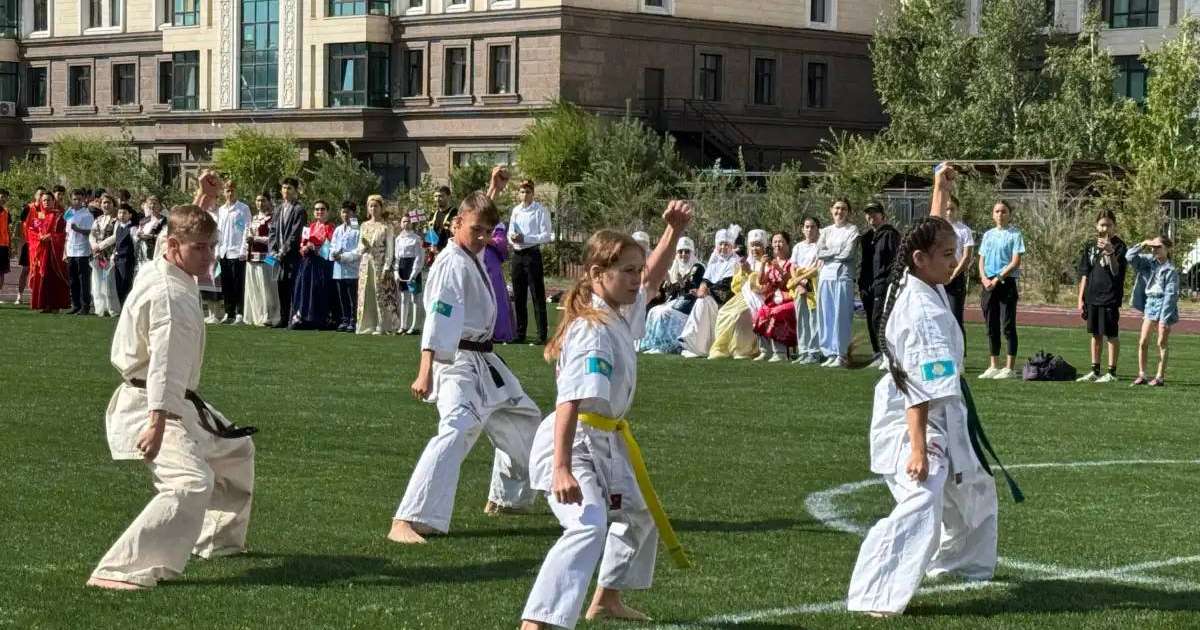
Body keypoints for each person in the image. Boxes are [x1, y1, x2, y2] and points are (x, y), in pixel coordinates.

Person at [519, 201, 694, 630]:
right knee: (588, 524)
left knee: (639, 513)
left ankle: (607, 598)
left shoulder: (616, 311)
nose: (638, 278)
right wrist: (562, 468)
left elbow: (652, 280)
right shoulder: (592, 331)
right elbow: (569, 402)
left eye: (637, 269)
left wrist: (672, 232)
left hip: (606, 438)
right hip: (574, 442)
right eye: (628, 271)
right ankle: (537, 621)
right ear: (599, 274)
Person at [847, 166, 1004, 617]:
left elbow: (930, 234)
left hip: (937, 410)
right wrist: (918, 448)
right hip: (917, 418)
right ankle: (877, 591)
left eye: (955, 253)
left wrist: (939, 190)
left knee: (974, 487)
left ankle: (962, 564)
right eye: (947, 255)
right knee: (922, 497)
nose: (954, 262)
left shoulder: (912, 277)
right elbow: (918, 387)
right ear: (921, 259)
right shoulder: (922, 312)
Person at [86, 205, 256, 591]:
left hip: (172, 399)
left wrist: (203, 200)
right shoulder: (170, 299)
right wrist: (157, 423)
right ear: (176, 247)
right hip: (151, 402)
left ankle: (216, 539)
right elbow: (165, 367)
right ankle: (122, 568)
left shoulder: (161, 265)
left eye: (212, 246)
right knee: (191, 482)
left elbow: (176, 229)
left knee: (235, 450)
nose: (209, 255)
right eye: (200, 248)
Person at [387, 170, 542, 545]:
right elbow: (438, 320)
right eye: (476, 231)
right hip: (455, 362)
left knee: (524, 416)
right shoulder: (451, 264)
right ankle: (407, 519)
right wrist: (425, 370)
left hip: (484, 362)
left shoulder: (471, 250)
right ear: (456, 224)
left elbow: (477, 213)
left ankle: (506, 498)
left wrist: (493, 191)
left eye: (488, 232)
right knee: (456, 429)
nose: (484, 238)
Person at [1075, 210, 1128, 383]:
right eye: (1102, 225)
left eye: (1109, 225)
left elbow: (1116, 271)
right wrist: (1080, 298)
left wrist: (1109, 251)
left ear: (1114, 226)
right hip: (1092, 295)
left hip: (1110, 296)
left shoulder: (1119, 246)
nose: (1105, 228)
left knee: (1111, 334)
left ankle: (1111, 372)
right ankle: (1095, 370)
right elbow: (1084, 272)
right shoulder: (1090, 245)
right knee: (1095, 334)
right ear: (1096, 226)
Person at [976, 201, 1024, 380]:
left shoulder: (1015, 234)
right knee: (991, 325)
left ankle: (1009, 367)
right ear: (992, 214)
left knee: (1007, 326)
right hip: (988, 284)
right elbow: (981, 259)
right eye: (997, 211)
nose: (1000, 215)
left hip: (1005, 283)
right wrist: (984, 278)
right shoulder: (988, 235)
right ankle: (993, 365)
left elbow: (1015, 261)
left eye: (1003, 211)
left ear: (1009, 214)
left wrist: (997, 278)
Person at [679, 226, 740, 358]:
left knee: (703, 302)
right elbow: (705, 280)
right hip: (710, 297)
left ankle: (699, 346)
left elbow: (727, 287)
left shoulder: (734, 262)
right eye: (721, 244)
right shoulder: (714, 261)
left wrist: (707, 291)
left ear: (731, 246)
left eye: (726, 244)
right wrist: (701, 288)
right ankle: (693, 344)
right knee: (701, 301)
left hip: (725, 302)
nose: (723, 247)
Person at [1128, 235, 1179, 387]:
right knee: (1143, 341)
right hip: (1150, 303)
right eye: (1152, 247)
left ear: (1167, 249)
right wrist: (1143, 244)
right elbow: (1129, 256)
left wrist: (1164, 319)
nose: (1154, 250)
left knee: (1161, 342)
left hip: (1164, 304)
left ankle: (1159, 377)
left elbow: (1171, 295)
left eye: (1158, 247)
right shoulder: (1148, 262)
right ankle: (1142, 375)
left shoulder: (1171, 270)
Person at [639, 237, 704, 354]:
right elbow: (671, 291)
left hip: (690, 301)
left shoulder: (697, 267)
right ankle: (652, 344)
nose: (683, 254)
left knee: (664, 313)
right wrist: (668, 282)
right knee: (654, 310)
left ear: (692, 252)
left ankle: (666, 346)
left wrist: (682, 284)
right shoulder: (675, 266)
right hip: (676, 300)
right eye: (680, 251)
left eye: (687, 251)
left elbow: (693, 288)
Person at [816, 199, 859, 367]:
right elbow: (819, 253)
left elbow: (848, 254)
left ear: (848, 212)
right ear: (831, 210)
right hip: (825, 276)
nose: (839, 212)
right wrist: (836, 251)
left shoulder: (852, 230)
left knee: (841, 316)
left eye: (843, 209)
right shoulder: (826, 231)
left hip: (843, 276)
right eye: (837, 208)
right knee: (826, 315)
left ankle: (841, 353)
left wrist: (830, 253)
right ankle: (830, 353)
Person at [509, 179, 553, 345]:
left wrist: (526, 238)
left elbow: (546, 235)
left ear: (533, 193)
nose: (525, 195)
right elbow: (510, 231)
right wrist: (513, 238)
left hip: (532, 254)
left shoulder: (540, 210)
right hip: (517, 254)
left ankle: (541, 335)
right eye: (522, 191)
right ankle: (520, 333)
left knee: (537, 295)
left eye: (528, 192)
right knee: (518, 295)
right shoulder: (516, 210)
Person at [707, 228, 761, 360]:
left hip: (759, 297)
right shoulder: (744, 262)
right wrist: (742, 273)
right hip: (743, 295)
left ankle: (742, 350)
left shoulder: (766, 262)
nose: (754, 248)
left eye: (758, 245)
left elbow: (762, 285)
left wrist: (750, 273)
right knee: (724, 312)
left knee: (740, 314)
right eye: (752, 245)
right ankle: (721, 348)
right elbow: (735, 287)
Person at [859, 203, 900, 367]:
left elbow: (896, 260)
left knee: (880, 319)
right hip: (867, 285)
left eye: (875, 213)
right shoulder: (866, 237)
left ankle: (887, 354)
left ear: (882, 215)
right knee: (871, 318)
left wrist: (891, 281)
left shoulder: (890, 234)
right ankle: (877, 353)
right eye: (868, 213)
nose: (871, 216)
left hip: (883, 282)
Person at [356, 195, 399, 335]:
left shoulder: (386, 226)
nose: (373, 208)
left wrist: (387, 266)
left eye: (376, 206)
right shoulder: (364, 225)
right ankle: (367, 324)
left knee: (380, 292)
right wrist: (363, 247)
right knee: (366, 292)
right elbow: (359, 246)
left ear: (381, 208)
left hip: (380, 262)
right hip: (366, 261)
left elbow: (390, 248)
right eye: (371, 206)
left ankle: (382, 324)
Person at [290, 200, 336, 330]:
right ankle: (303, 318)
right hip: (307, 264)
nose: (319, 212)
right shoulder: (309, 227)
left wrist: (315, 248)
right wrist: (304, 248)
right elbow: (302, 243)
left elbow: (331, 247)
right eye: (317, 209)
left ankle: (319, 319)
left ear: (327, 211)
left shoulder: (330, 227)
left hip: (321, 265)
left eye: (322, 209)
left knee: (318, 291)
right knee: (304, 289)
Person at [752, 232, 797, 362]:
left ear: (787, 244)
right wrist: (762, 264)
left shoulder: (791, 263)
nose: (778, 244)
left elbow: (789, 282)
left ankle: (780, 352)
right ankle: (765, 351)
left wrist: (779, 268)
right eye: (775, 242)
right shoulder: (771, 264)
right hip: (773, 299)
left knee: (777, 313)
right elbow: (761, 281)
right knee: (761, 312)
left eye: (781, 241)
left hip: (789, 298)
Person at [26, 191, 70, 313]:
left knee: (54, 278)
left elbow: (64, 234)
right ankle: (44, 304)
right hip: (40, 252)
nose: (46, 202)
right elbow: (31, 232)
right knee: (42, 277)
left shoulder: (59, 216)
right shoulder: (37, 216)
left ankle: (55, 305)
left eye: (49, 200)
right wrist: (39, 237)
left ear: (53, 201)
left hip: (54, 253)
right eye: (44, 200)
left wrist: (52, 237)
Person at [216, 181, 252, 325]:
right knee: (226, 284)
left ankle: (239, 313)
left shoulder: (243, 208)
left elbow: (247, 229)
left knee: (238, 284)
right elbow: (218, 232)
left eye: (232, 190)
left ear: (236, 191)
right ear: (223, 192)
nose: (230, 194)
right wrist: (217, 250)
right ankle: (228, 312)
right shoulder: (221, 210)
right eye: (227, 191)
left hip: (237, 251)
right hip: (224, 251)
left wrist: (244, 249)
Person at [244, 193, 281, 327]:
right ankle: (257, 314)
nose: (260, 203)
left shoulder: (272, 218)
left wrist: (255, 238)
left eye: (263, 200)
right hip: (252, 256)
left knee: (268, 287)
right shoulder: (254, 218)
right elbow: (248, 235)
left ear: (269, 202)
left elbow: (272, 238)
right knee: (255, 287)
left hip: (268, 257)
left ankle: (270, 315)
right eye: (258, 200)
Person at [789, 216, 822, 364]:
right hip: (799, 286)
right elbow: (793, 266)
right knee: (801, 318)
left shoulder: (820, 245)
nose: (809, 230)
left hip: (814, 284)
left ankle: (814, 351)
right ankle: (803, 350)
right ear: (802, 229)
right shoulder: (798, 247)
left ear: (817, 229)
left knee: (814, 318)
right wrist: (798, 282)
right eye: (807, 227)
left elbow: (817, 268)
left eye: (812, 227)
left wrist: (803, 280)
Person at [275, 178, 307, 327]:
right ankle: (283, 318)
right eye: (284, 188)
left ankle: (293, 318)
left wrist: (284, 250)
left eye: (289, 188)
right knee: (281, 286)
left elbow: (295, 234)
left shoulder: (299, 210)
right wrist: (273, 250)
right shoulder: (279, 209)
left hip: (292, 255)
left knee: (293, 287)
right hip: (279, 256)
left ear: (295, 191)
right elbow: (273, 231)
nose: (286, 191)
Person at [944, 196, 975, 330]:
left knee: (956, 320)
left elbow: (966, 257)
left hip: (956, 279)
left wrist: (953, 275)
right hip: (938, 278)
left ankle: (960, 345)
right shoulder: (937, 229)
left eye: (952, 209)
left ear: (957, 210)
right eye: (946, 209)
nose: (949, 212)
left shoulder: (964, 230)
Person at [330, 202, 361, 332]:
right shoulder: (338, 229)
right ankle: (344, 319)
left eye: (348, 212)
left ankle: (353, 321)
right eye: (343, 212)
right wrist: (334, 254)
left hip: (352, 269)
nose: (345, 215)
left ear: (354, 213)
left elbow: (359, 250)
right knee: (342, 297)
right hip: (338, 269)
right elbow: (332, 245)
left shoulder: (357, 229)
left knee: (352, 297)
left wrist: (343, 257)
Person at [65, 188, 96, 315]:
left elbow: (90, 232)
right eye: (74, 199)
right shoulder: (69, 213)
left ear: (84, 199)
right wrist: (65, 250)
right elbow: (67, 232)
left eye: (79, 199)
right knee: (73, 279)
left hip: (83, 250)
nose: (77, 201)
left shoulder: (87, 214)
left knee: (83, 279)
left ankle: (85, 306)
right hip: (71, 250)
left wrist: (78, 229)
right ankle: (75, 305)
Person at [394, 213, 426, 335]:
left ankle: (415, 325)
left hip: (412, 267)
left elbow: (419, 257)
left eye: (408, 221)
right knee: (403, 297)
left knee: (414, 297)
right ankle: (403, 325)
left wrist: (414, 273)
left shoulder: (416, 239)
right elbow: (397, 257)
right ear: (401, 224)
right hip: (402, 267)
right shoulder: (398, 239)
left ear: (412, 223)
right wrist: (396, 271)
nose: (406, 223)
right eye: (404, 221)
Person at [89, 194, 121, 317]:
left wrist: (101, 246)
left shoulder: (116, 220)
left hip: (109, 254)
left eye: (108, 203)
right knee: (97, 281)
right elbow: (92, 234)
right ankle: (100, 309)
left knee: (109, 282)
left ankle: (112, 309)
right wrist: (94, 245)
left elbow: (115, 236)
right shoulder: (98, 219)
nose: (106, 205)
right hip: (97, 255)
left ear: (113, 205)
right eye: (104, 203)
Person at [14, 186, 46, 304]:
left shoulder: (46, 210)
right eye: (40, 194)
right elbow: (21, 225)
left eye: (43, 195)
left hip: (41, 244)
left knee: (40, 271)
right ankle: (19, 296)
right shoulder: (28, 208)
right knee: (25, 270)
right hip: (29, 244)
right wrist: (21, 241)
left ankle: (37, 295)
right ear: (35, 196)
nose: (41, 197)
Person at [486, 221, 515, 342]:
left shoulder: (497, 225)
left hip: (490, 262)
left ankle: (499, 331)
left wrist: (489, 240)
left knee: (496, 295)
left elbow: (502, 243)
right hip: (474, 259)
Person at [111, 205, 137, 305]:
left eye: (124, 213)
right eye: (120, 213)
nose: (121, 215)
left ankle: (127, 306)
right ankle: (122, 306)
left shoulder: (132, 228)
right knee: (118, 284)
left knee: (126, 284)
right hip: (117, 259)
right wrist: (113, 255)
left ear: (130, 215)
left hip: (127, 260)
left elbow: (135, 245)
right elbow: (117, 244)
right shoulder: (118, 227)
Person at [137, 196, 166, 265]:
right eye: (150, 203)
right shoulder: (144, 220)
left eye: (155, 203)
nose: (152, 206)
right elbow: (139, 232)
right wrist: (138, 234)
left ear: (160, 206)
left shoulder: (164, 220)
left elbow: (165, 237)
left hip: (155, 252)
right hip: (142, 252)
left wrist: (151, 236)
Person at [428, 185, 456, 255]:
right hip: (435, 254)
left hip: (450, 253)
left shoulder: (455, 213)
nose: (437, 199)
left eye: (440, 196)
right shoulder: (432, 214)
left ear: (448, 197)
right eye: (436, 196)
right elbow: (431, 233)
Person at [0, 189, 10, 297]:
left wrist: (9, 244)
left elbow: (7, 229)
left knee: (1, 272)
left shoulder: (6, 212)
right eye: (1, 196)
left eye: (5, 197)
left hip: (3, 245)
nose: (3, 199)